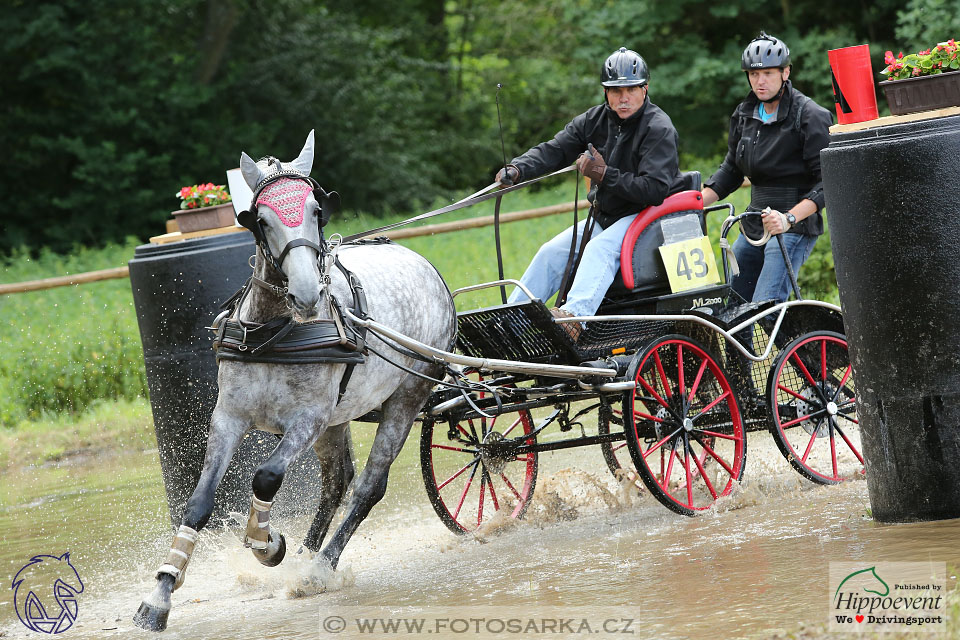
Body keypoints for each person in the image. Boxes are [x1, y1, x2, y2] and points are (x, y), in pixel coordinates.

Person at [498, 46, 685, 340]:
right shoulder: (593, 120)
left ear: (645, 88)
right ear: (605, 92)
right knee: (550, 252)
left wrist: (604, 174)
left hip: (647, 216)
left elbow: (654, 190)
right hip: (607, 216)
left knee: (599, 249)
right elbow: (555, 150)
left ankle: (574, 319)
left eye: (631, 89)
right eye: (615, 91)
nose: (623, 98)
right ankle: (510, 324)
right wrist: (518, 168)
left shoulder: (659, 128)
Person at [701, 32, 833, 305]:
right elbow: (732, 170)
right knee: (734, 306)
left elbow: (829, 183)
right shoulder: (743, 114)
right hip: (754, 222)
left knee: (766, 306)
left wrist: (789, 218)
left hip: (795, 224)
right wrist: (694, 204)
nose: (760, 81)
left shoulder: (811, 116)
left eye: (768, 73)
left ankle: (793, 334)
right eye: (753, 74)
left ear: (785, 72)